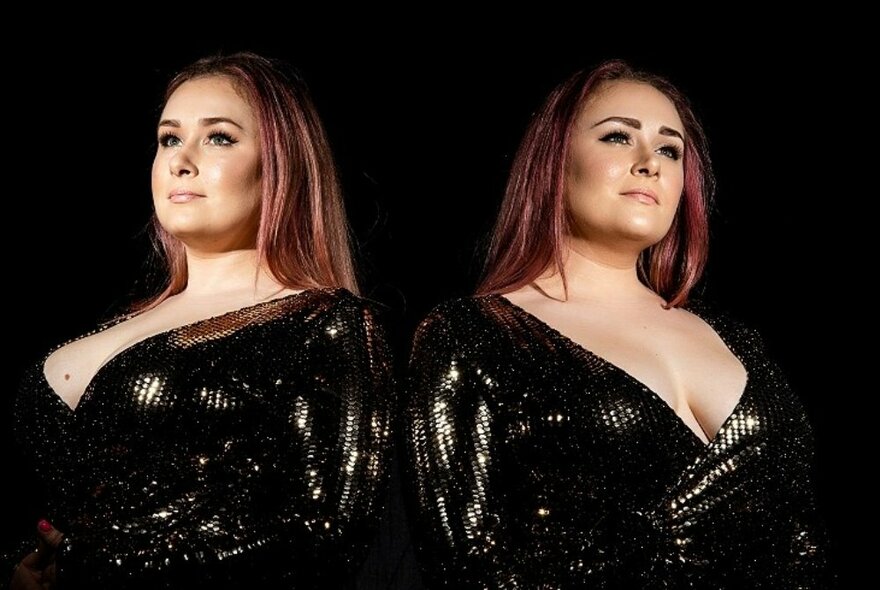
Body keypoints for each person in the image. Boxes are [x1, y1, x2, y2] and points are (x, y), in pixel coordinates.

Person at [403, 59, 835, 588]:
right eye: (616, 138)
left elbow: (802, 536)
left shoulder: (739, 342)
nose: (650, 162)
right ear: (554, 164)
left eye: (670, 149)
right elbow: (465, 558)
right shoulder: (475, 335)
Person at [3, 51, 395, 589]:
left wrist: (87, 568)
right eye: (169, 138)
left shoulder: (325, 325)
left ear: (283, 163)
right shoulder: (121, 320)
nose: (180, 161)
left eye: (219, 138)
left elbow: (317, 530)